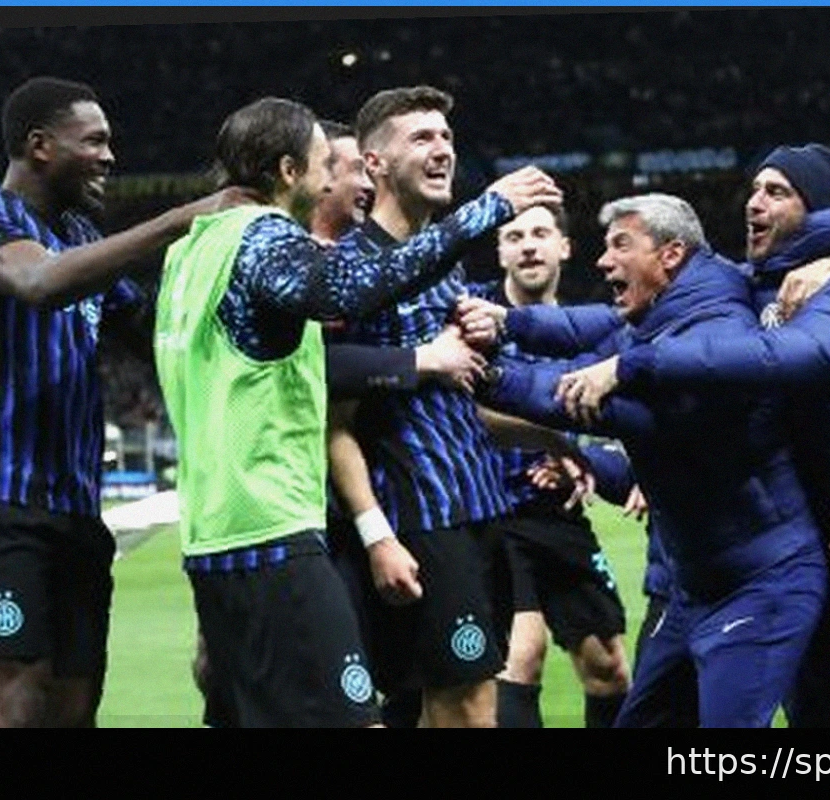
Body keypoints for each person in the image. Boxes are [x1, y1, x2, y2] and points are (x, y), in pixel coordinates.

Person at [155, 96, 558, 727]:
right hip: (343, 521)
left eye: (447, 135)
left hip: (454, 507)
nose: (442, 148)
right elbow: (333, 401)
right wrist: (377, 533)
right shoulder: (318, 259)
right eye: (421, 137)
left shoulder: (200, 252)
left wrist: (563, 435)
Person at [540, 146, 830, 727]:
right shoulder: (754, 284)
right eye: (755, 189)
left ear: (818, 209)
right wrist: (509, 325)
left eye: (776, 191)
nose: (754, 202)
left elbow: (807, 350)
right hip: (807, 529)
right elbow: (610, 323)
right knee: (824, 709)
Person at [0, 76, 246, 728]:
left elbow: (156, 333)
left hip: (76, 506)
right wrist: (183, 219)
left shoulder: (79, 234)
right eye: (94, 141)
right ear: (40, 146)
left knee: (76, 708)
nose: (109, 156)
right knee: (18, 703)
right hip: (0, 499)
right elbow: (39, 282)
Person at [478, 194, 829, 727]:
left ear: (670, 255)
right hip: (695, 587)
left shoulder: (716, 326)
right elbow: (584, 336)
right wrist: (509, 325)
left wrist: (487, 378)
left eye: (621, 245)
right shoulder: (657, 315)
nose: (603, 261)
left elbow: (595, 402)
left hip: (760, 582)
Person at [473, 205, 631, 728]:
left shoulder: (589, 333)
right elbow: (460, 405)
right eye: (514, 236)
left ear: (564, 246)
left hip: (555, 513)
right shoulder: (475, 317)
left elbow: (623, 429)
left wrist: (584, 462)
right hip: (490, 512)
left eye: (540, 233)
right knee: (522, 656)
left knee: (608, 668)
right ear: (500, 252)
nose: (528, 245)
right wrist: (552, 442)